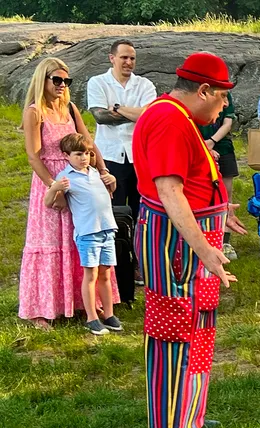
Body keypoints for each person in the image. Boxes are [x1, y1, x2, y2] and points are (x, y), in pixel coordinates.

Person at [132, 52, 247, 428]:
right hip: (176, 245)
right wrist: (206, 250)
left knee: (197, 333)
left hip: (192, 241)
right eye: (222, 97)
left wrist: (220, 211)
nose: (223, 106)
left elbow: (191, 181)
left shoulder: (179, 116)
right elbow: (169, 191)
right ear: (203, 90)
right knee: (175, 335)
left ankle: (187, 419)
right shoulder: (169, 119)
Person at [20, 57, 118, 330]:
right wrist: (55, 187)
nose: (62, 85)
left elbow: (88, 143)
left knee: (82, 240)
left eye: (66, 81)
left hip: (80, 183)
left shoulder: (71, 109)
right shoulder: (34, 112)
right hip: (51, 180)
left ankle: (82, 302)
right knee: (50, 242)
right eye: (57, 80)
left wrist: (103, 170)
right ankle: (42, 309)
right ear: (43, 80)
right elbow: (33, 156)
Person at [46, 133, 122, 336]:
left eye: (87, 153)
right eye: (78, 154)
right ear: (66, 156)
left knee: (106, 274)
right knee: (91, 275)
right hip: (88, 233)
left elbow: (110, 192)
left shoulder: (95, 172)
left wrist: (113, 181)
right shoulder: (66, 177)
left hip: (107, 230)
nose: (84, 158)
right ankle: (91, 318)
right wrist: (54, 188)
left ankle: (109, 314)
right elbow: (48, 202)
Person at [86, 39, 157, 219]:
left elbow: (150, 116)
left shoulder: (145, 85)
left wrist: (117, 108)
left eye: (132, 58)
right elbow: (101, 117)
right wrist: (137, 114)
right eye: (124, 57)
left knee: (140, 208)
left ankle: (137, 238)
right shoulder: (97, 82)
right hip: (109, 155)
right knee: (111, 209)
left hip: (139, 155)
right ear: (112, 58)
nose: (129, 62)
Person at [198, 91, 239, 260]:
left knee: (226, 195)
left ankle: (225, 241)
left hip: (222, 146)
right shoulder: (195, 93)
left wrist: (212, 142)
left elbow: (227, 123)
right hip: (197, 145)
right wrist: (203, 147)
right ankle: (202, 238)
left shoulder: (225, 94)